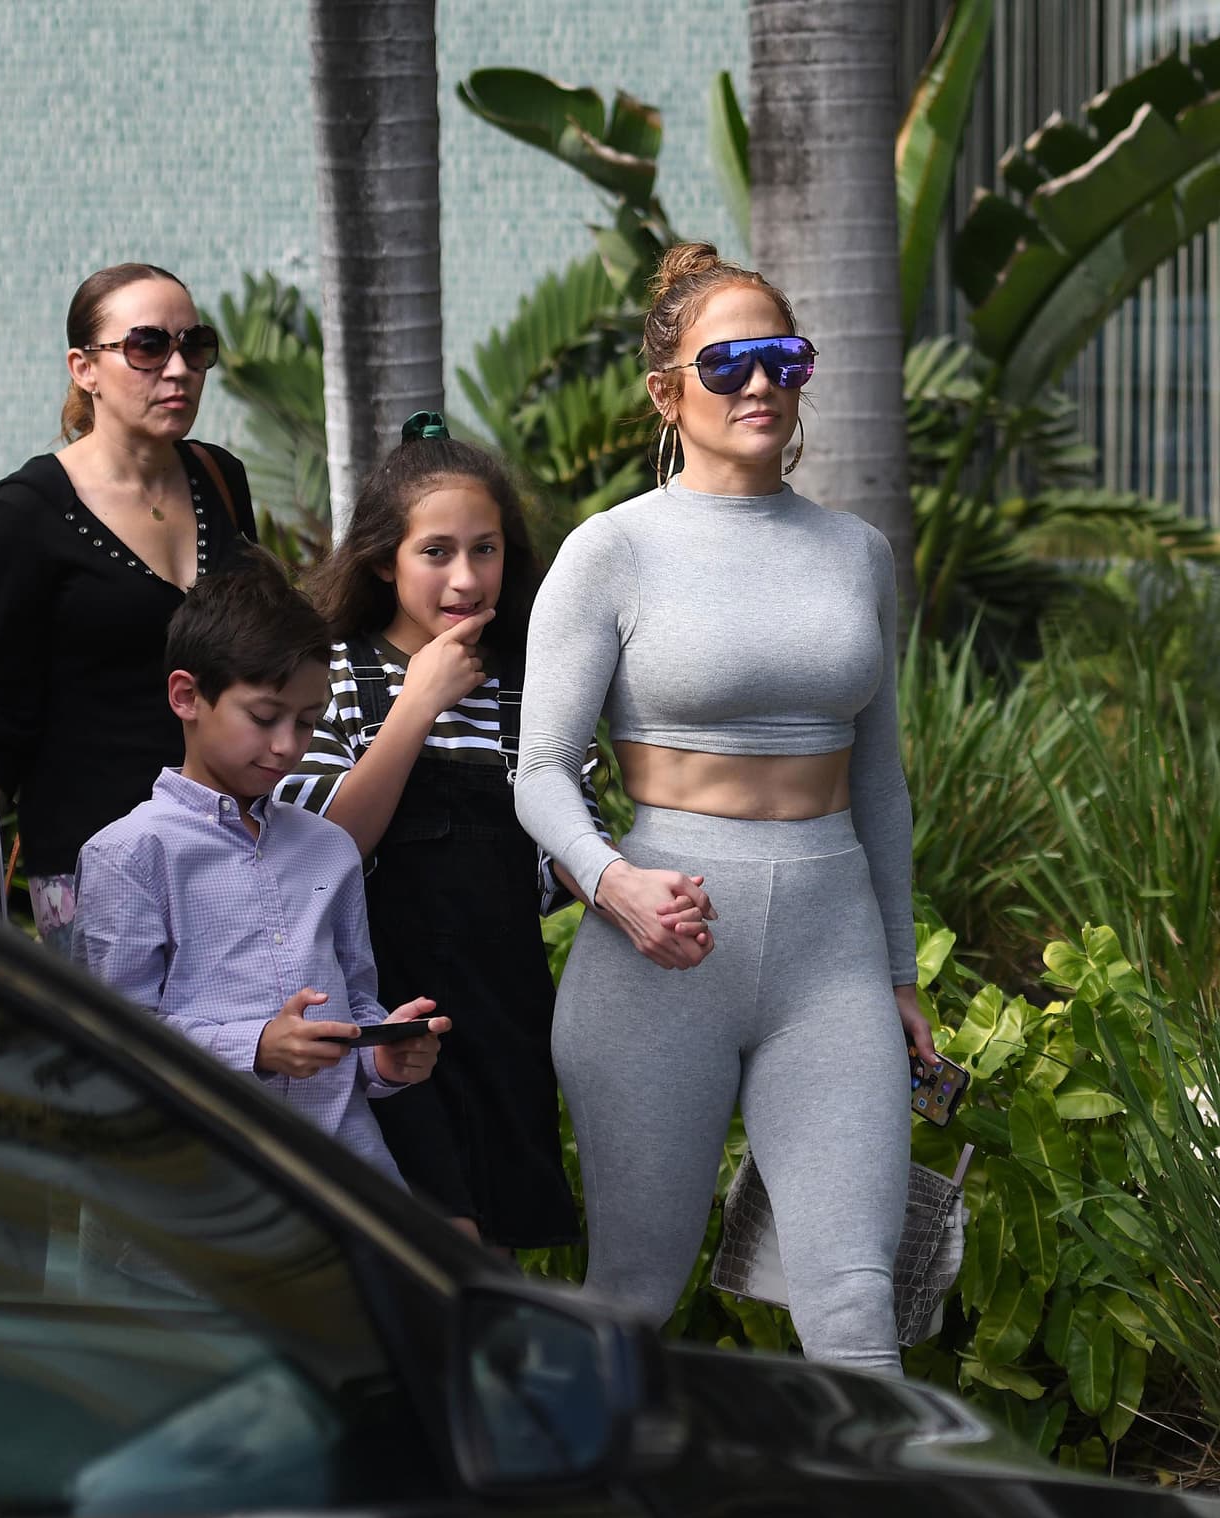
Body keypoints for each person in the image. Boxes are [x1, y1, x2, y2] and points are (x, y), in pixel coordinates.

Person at [513, 243, 939, 1375]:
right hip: (656, 954)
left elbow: (879, 783)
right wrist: (611, 883)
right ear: (665, 392)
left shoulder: (855, 553)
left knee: (853, 1307)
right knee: (633, 1298)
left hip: (831, 958)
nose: (759, 386)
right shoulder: (609, 551)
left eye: (782, 360)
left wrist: (896, 976)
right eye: (727, 365)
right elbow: (540, 770)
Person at [275, 413, 592, 1248]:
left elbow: (555, 860)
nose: (465, 576)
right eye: (436, 551)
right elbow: (326, 849)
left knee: (494, 1258)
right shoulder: (335, 674)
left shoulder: (532, 689)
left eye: (484, 549)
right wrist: (416, 704)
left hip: (505, 1016)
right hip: (382, 1020)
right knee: (428, 1249)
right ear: (384, 560)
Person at [71, 558, 447, 1180]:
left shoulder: (328, 848)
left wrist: (382, 1053)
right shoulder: (129, 854)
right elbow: (116, 1042)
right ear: (186, 696)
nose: (287, 746)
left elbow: (353, 1001)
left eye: (306, 722)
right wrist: (255, 1048)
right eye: (264, 716)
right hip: (204, 1189)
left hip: (343, 1169)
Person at [0, 262, 256, 954]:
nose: (180, 368)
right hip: (93, 862)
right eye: (148, 346)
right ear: (84, 368)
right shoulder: (29, 510)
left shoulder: (221, 477)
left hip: (230, 840)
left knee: (239, 1059)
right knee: (120, 1062)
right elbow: (4, 711)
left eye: (196, 346)